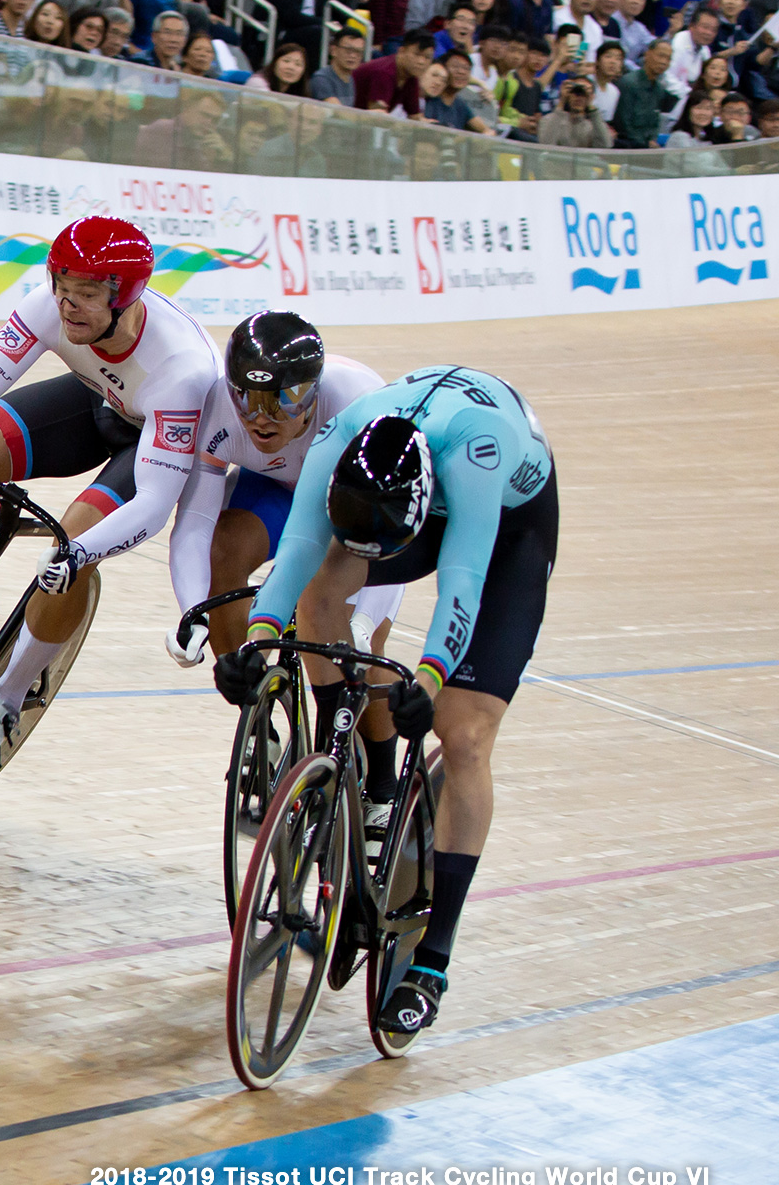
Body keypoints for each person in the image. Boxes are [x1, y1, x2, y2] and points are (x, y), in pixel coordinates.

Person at [215, 364, 559, 1038]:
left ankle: (433, 959)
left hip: (507, 527)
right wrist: (256, 645)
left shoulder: (477, 451)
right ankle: (341, 770)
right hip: (389, 502)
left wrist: (428, 681)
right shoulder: (337, 437)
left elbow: (462, 584)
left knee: (462, 737)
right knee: (317, 595)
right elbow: (295, 557)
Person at [0, 217, 220, 762]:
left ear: (128, 296)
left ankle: (7, 696)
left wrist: (80, 554)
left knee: (72, 541)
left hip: (154, 441)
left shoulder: (182, 367)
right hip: (99, 400)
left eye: (87, 295)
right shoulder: (51, 305)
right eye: (62, 288)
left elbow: (156, 502)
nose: (69, 305)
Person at [171, 313, 406, 818]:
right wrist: (194, 611)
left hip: (349, 503)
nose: (262, 417)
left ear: (314, 392)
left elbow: (390, 548)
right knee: (223, 550)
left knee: (363, 643)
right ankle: (259, 718)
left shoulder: (359, 406)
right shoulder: (217, 409)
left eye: (284, 399)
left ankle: (384, 782)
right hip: (275, 493)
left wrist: (363, 624)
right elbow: (193, 521)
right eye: (248, 399)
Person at [613, 36, 678, 142]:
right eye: (661, 56)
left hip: (647, 149)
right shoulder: (628, 83)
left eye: (668, 58)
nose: (664, 62)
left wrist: (652, 140)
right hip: (627, 147)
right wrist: (645, 145)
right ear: (647, 54)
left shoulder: (659, 89)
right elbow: (623, 125)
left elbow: (655, 124)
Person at [355, 27, 435, 112]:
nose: (421, 62)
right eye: (417, 54)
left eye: (427, 57)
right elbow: (376, 116)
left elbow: (415, 116)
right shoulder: (384, 72)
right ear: (401, 51)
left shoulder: (411, 77)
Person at [539, 72, 615, 139]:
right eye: (575, 92)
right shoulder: (548, 120)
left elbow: (605, 145)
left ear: (592, 96)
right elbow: (546, 142)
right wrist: (562, 101)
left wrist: (591, 107)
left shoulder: (594, 125)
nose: (578, 97)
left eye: (583, 93)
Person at [422, 54, 487, 124]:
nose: (461, 72)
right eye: (455, 66)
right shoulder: (428, 97)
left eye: (466, 68)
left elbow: (485, 129)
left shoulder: (460, 105)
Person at [310, 26, 366, 100]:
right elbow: (336, 109)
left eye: (358, 51)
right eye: (348, 50)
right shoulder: (321, 79)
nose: (353, 55)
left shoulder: (354, 80)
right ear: (334, 50)